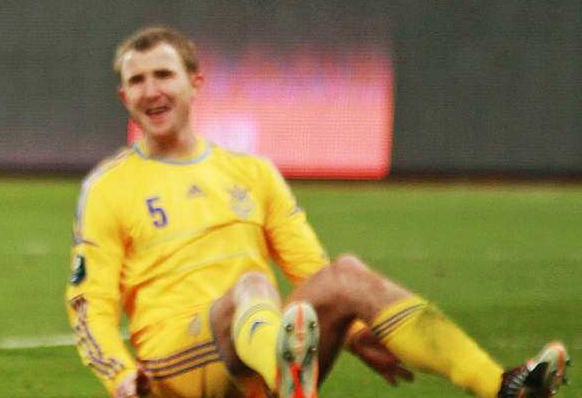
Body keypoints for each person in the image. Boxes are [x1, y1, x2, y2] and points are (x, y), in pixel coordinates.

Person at [65, 26, 569, 398]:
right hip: (173, 373)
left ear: (196, 83)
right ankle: (289, 378)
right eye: (137, 81)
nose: (151, 90)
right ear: (123, 96)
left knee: (346, 275)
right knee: (251, 286)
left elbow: (311, 268)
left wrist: (353, 334)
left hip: (253, 351)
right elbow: (90, 305)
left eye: (163, 75)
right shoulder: (108, 187)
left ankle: (501, 386)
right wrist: (119, 373)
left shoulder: (254, 172)